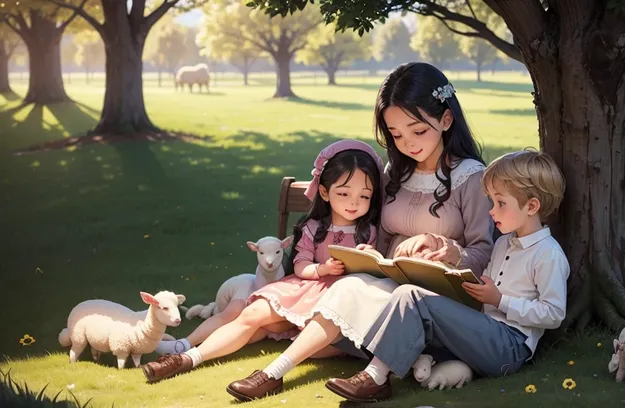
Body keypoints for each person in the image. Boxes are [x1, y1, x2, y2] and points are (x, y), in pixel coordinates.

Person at [221, 62, 495, 402]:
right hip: (392, 281)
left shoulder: (470, 177)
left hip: (441, 297)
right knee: (350, 286)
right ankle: (273, 373)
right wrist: (370, 253)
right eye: (396, 134)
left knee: (368, 295)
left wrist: (450, 252)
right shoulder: (395, 172)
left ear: (446, 120)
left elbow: (485, 254)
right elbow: (378, 232)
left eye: (418, 131)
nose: (407, 143)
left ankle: (375, 375)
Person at [325, 148, 570, 403]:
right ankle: (429, 365)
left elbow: (553, 314)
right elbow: (482, 290)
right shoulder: (504, 243)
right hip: (483, 331)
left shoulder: (548, 254)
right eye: (492, 202)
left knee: (411, 297)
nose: (491, 211)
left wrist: (500, 301)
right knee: (402, 302)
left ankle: (376, 378)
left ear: (532, 206)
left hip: (509, 347)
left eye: (500, 203)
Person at [141, 139, 384, 385]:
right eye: (343, 193)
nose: (354, 203)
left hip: (336, 300)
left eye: (364, 196)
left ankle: (239, 366)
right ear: (324, 192)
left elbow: (369, 274)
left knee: (286, 333)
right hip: (303, 287)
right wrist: (322, 269)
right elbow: (300, 266)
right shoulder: (313, 228)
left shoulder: (369, 232)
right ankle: (188, 357)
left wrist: (366, 256)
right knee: (251, 315)